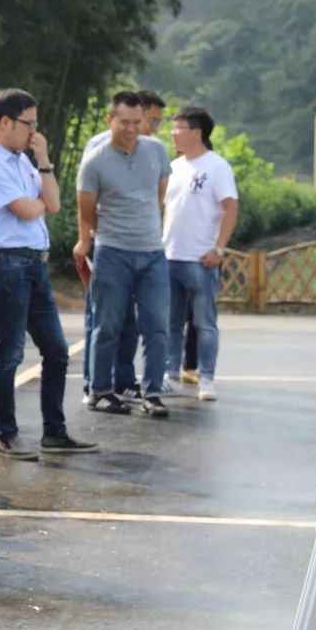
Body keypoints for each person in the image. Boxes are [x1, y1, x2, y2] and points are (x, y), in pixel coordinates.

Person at [0, 89, 97, 460]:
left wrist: (42, 159)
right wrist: (37, 203)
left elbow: (52, 205)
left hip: (33, 265)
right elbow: (27, 210)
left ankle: (53, 432)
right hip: (7, 264)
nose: (35, 131)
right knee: (9, 353)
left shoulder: (22, 160)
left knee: (57, 351)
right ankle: (6, 434)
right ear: (5, 122)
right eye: (31, 124)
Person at [74, 91, 172, 418]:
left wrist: (141, 226)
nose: (131, 129)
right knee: (108, 324)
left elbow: (158, 195)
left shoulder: (157, 151)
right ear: (110, 121)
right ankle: (100, 390)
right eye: (124, 122)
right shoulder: (96, 161)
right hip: (112, 252)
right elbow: (87, 212)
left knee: (158, 324)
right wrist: (99, 237)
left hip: (153, 253)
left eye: (136, 122)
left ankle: (154, 392)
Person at [164, 106, 238, 400]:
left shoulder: (217, 167)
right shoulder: (173, 166)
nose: (172, 134)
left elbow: (231, 208)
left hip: (201, 258)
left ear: (196, 132)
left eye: (178, 128)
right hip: (170, 255)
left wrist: (219, 248)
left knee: (204, 322)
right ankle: (168, 373)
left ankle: (206, 377)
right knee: (169, 321)